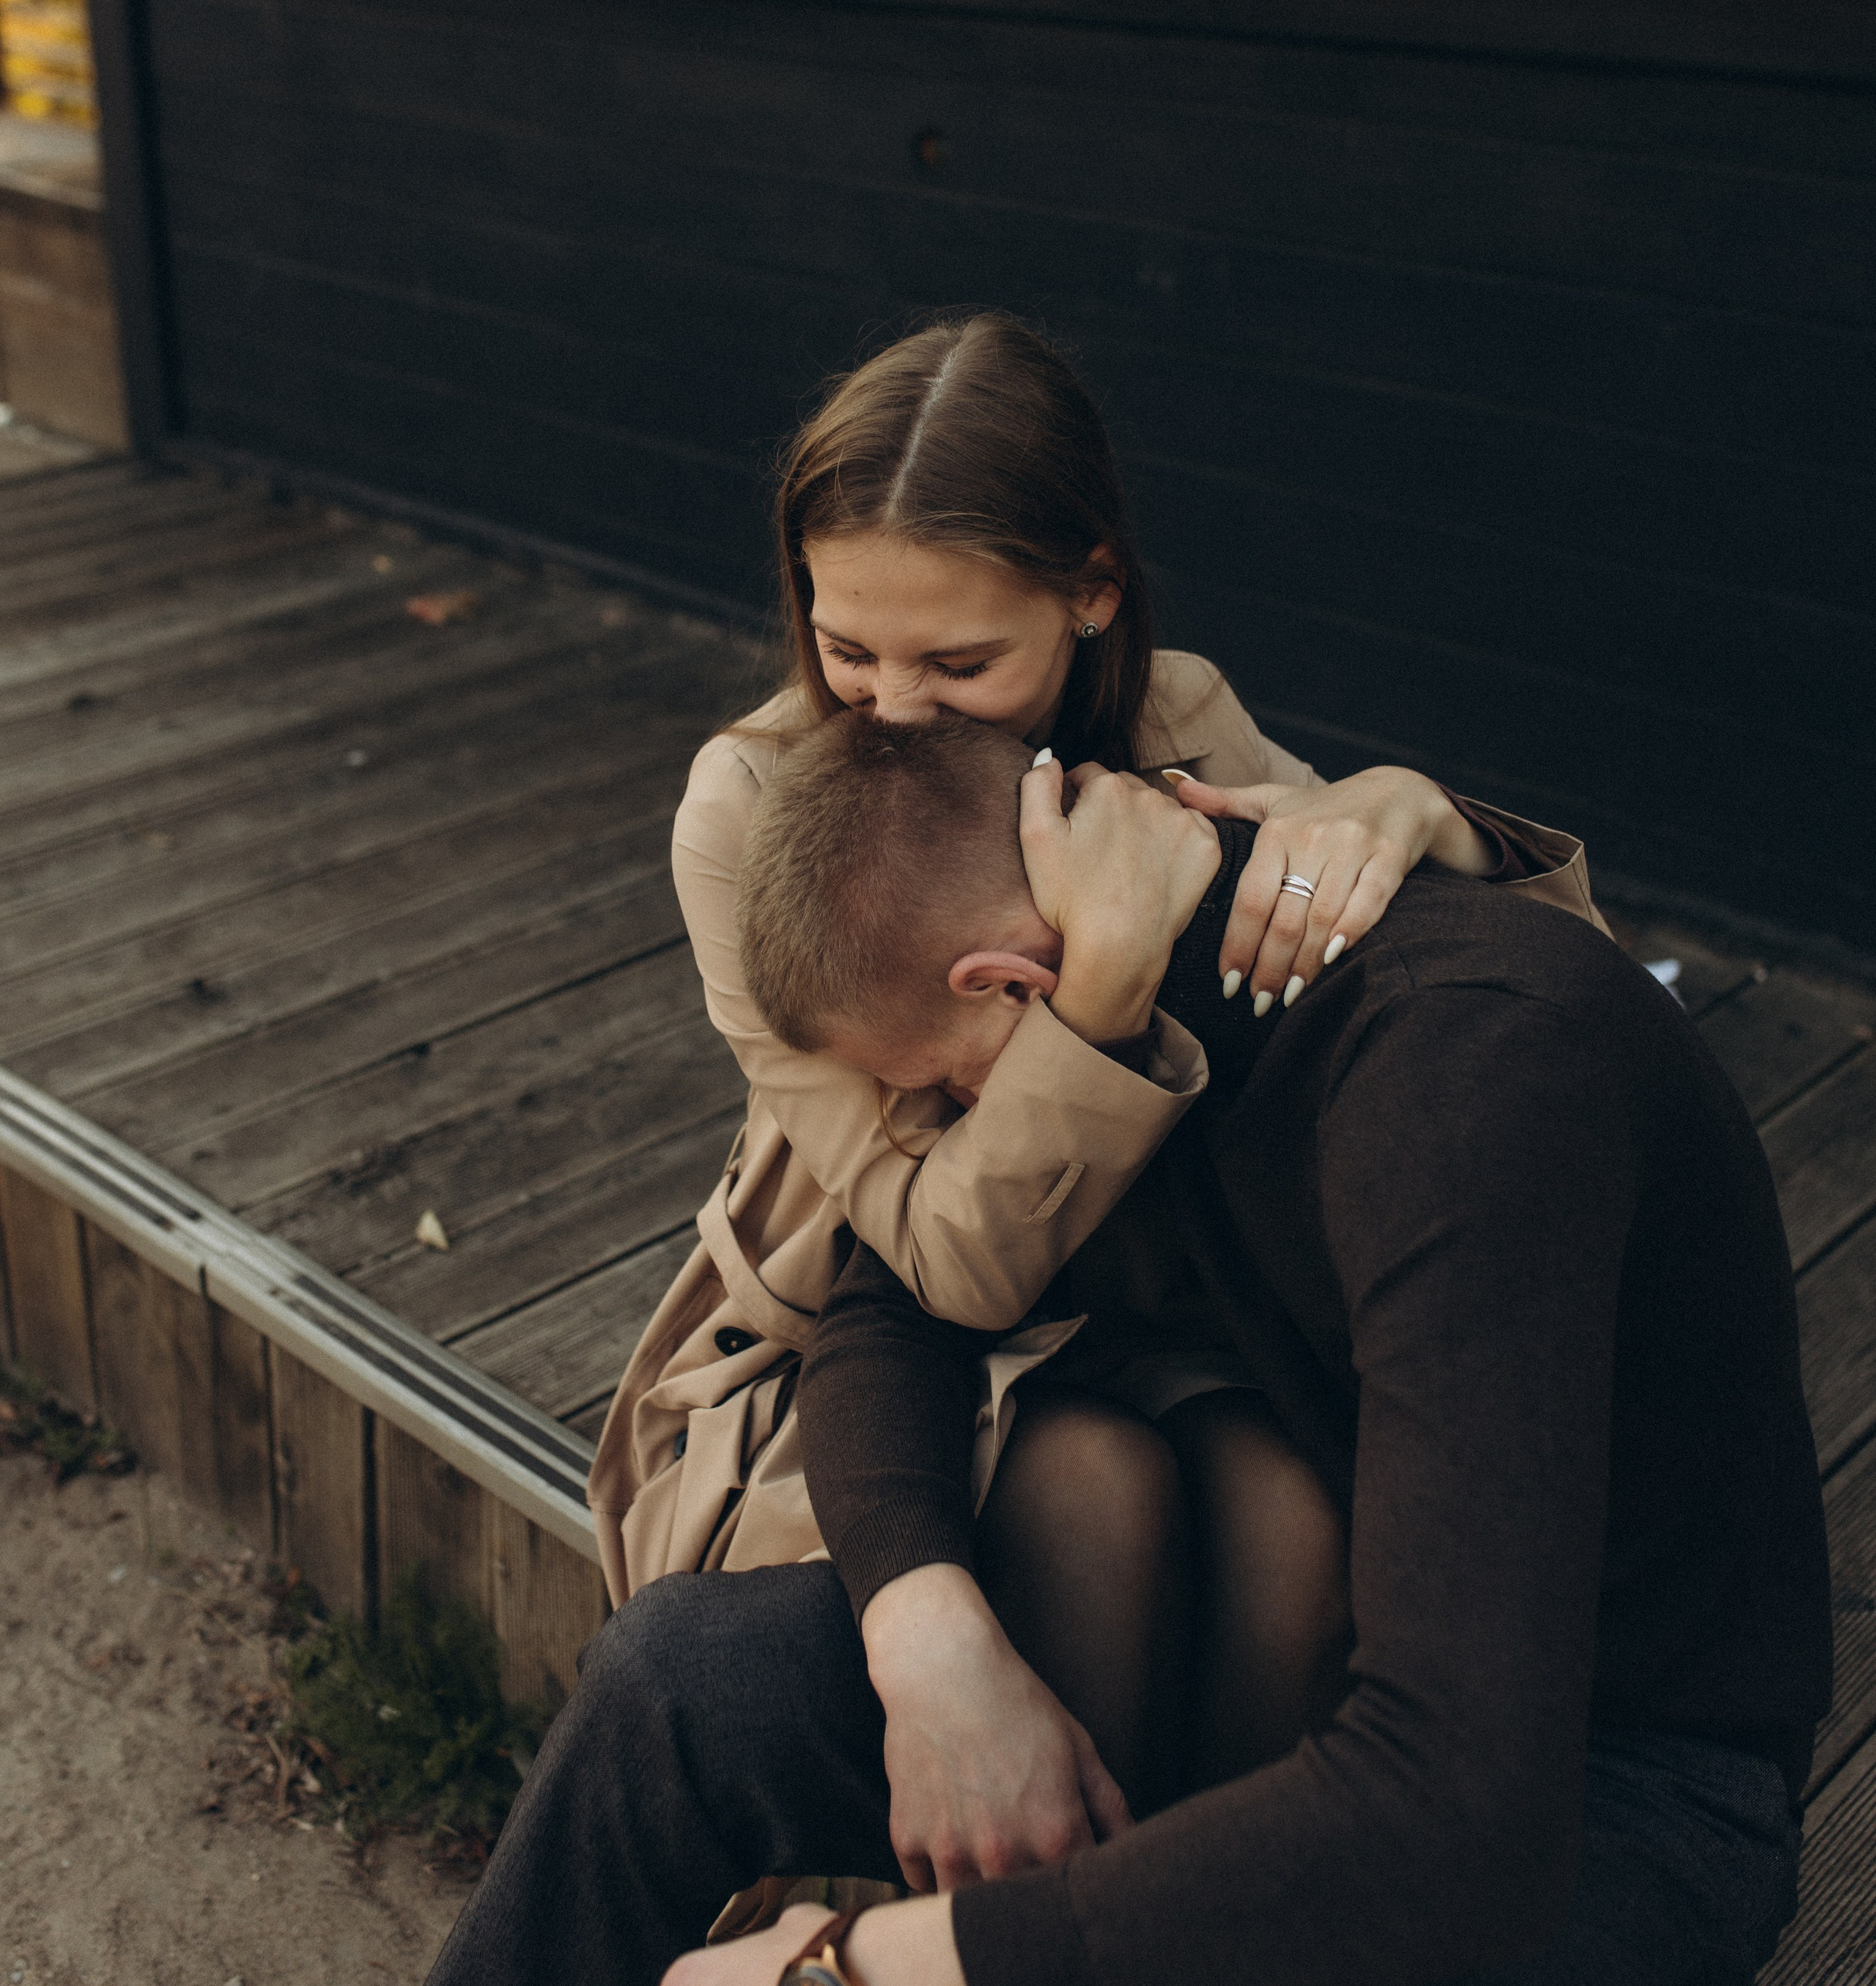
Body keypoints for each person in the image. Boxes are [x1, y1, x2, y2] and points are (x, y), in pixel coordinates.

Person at [328, 715, 1829, 1986]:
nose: (950, 1130)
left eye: (944, 1092)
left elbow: (1456, 1813)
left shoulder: (1465, 1069)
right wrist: (928, 1642)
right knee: (677, 1683)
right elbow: (888, 1311)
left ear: (1002, 985)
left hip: (1603, 1771)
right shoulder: (1098, 1003)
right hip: (1265, 1665)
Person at [584, 311, 1603, 1606]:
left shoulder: (1176, 719)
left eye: (959, 663)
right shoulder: (748, 801)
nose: (892, 713)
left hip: (1176, 1288)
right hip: (872, 1321)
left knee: (1298, 1521)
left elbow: (1561, 1022)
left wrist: (1418, 814)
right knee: (1095, 1495)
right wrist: (1107, 992)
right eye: (848, 651)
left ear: (1092, 591)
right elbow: (935, 1261)